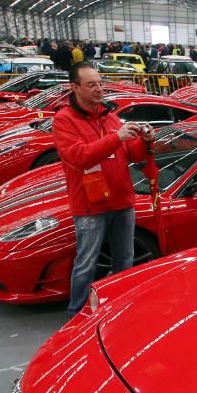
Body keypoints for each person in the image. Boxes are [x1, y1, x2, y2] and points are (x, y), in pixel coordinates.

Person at [52, 62, 155, 315]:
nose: (99, 89)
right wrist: (116, 137)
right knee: (86, 264)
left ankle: (118, 308)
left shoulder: (109, 116)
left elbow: (130, 153)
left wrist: (145, 141)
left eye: (99, 83)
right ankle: (76, 314)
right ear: (74, 87)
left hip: (121, 200)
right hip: (90, 206)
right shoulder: (64, 120)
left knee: (125, 260)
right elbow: (80, 156)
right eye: (91, 85)